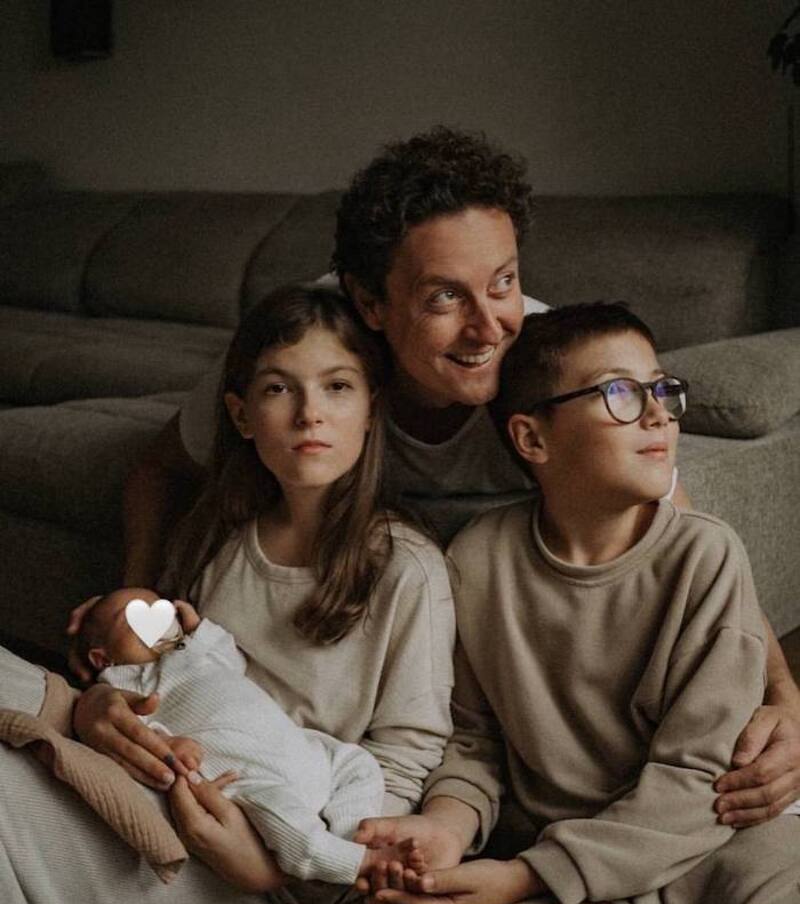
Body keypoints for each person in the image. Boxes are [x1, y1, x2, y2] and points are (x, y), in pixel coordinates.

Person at [70, 126, 800, 829]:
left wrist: (782, 695)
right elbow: (158, 468)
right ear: (371, 303)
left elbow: (680, 539)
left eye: (503, 282)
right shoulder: (310, 355)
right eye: (445, 297)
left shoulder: (544, 372)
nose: (488, 328)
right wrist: (133, 625)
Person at [0, 284, 454, 904]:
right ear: (241, 415)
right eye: (279, 389)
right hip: (167, 769)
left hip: (256, 837)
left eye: (337, 387)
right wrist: (100, 691)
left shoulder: (406, 567)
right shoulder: (217, 537)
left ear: (371, 410)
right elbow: (148, 663)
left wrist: (287, 871)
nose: (309, 414)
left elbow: (407, 757)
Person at [356, 304, 800, 904]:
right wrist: (448, 827)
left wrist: (522, 877)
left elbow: (700, 776)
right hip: (567, 880)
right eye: (619, 393)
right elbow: (474, 741)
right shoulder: (476, 561)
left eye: (661, 390)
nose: (656, 414)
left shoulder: (705, 554)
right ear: (533, 440)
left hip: (717, 846)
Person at [78, 586, 426, 888]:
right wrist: (166, 742)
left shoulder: (191, 650)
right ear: (102, 658)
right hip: (245, 770)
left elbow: (233, 660)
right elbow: (132, 728)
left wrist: (199, 630)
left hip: (296, 748)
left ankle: (354, 834)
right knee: (285, 822)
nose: (155, 621)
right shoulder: (126, 680)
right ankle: (355, 862)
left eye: (160, 609)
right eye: (133, 620)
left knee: (357, 763)